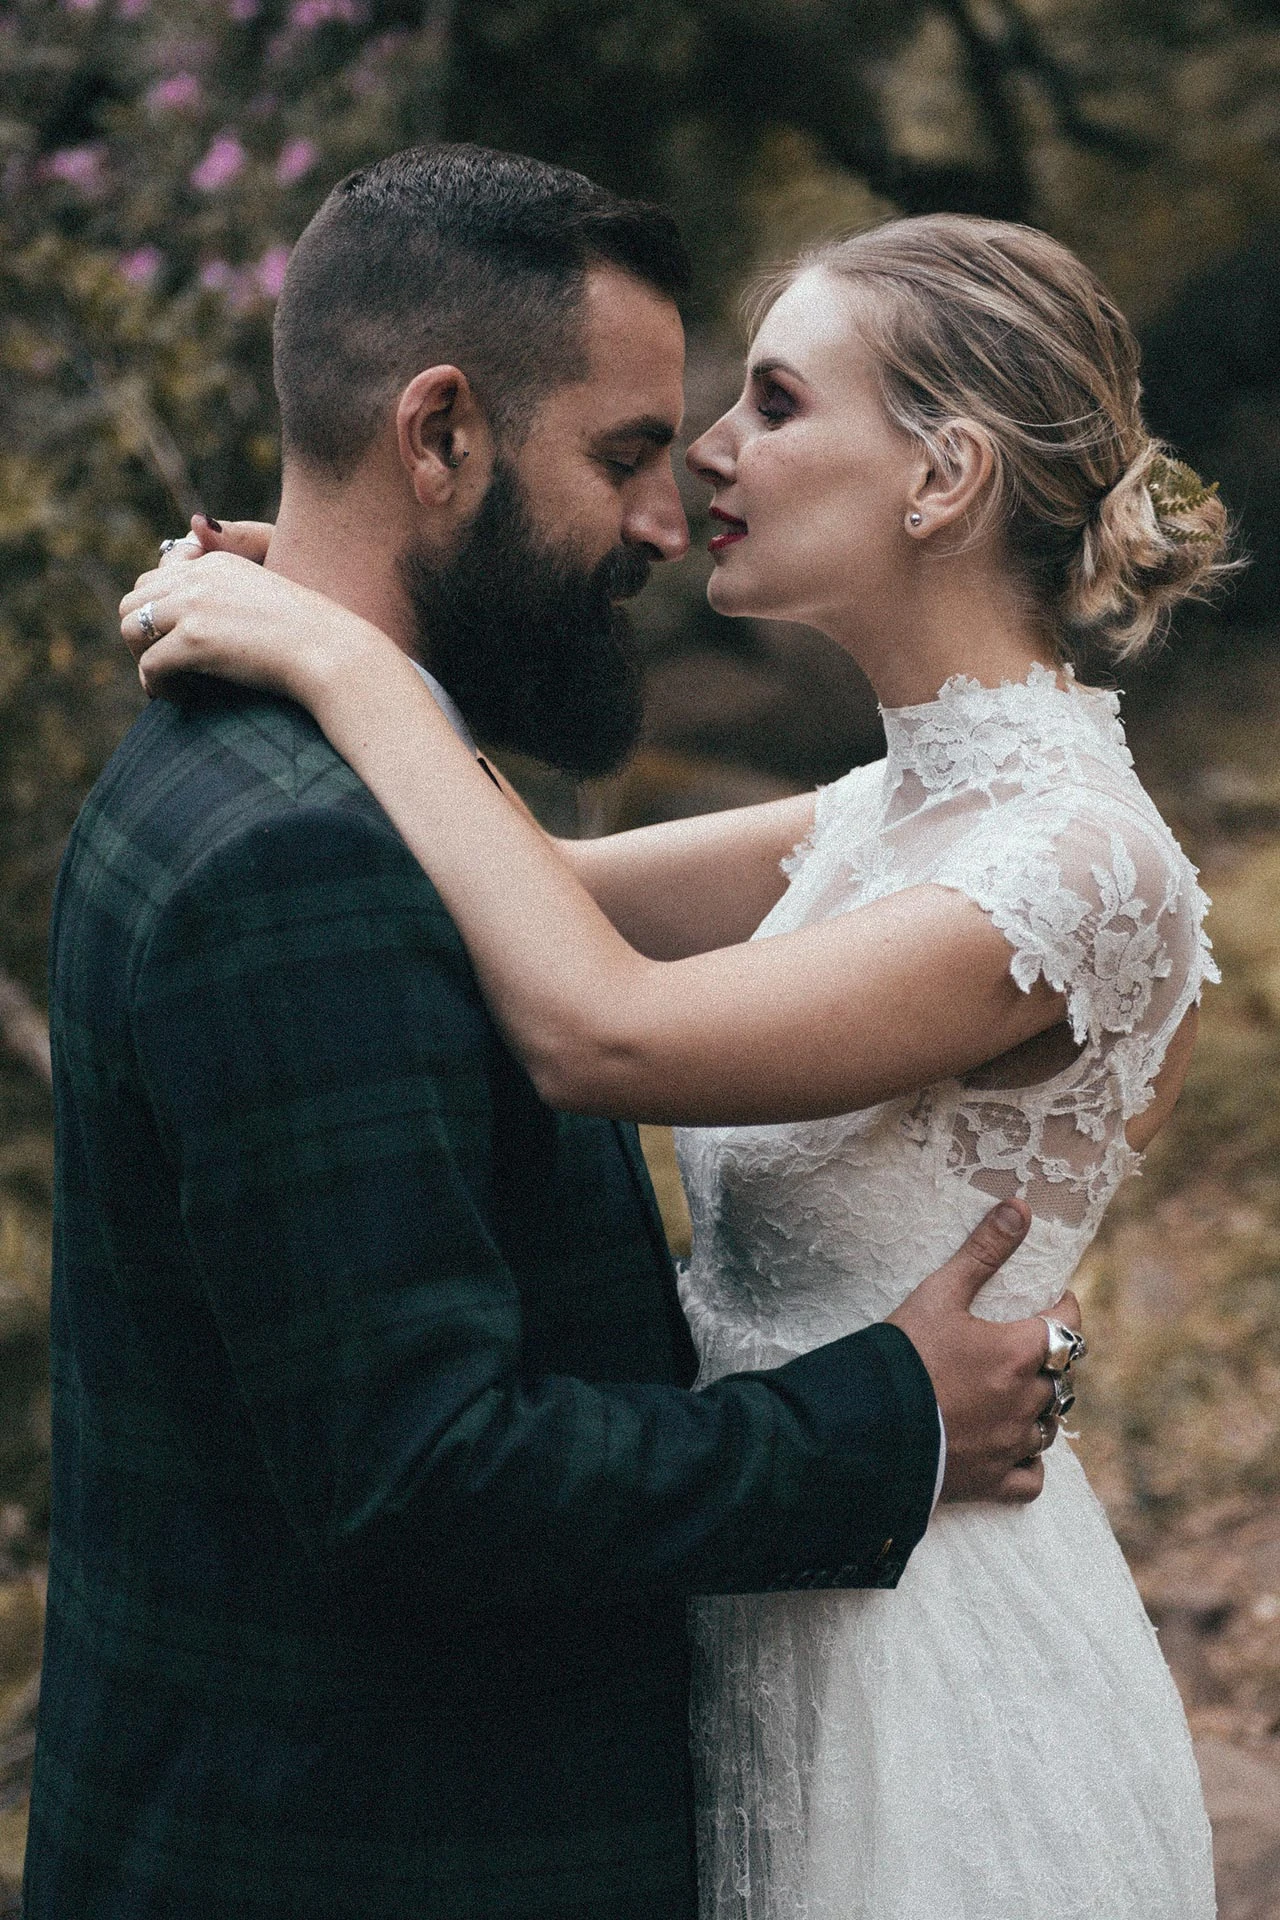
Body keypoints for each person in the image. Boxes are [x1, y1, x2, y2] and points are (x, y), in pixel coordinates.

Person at [122, 208, 1230, 1917]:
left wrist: (346, 660)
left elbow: (598, 1024)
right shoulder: (891, 807)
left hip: (918, 1653)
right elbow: (523, 896)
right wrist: (352, 608)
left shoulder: (1076, 863)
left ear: (941, 476)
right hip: (771, 1575)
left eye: (776, 404)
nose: (711, 451)